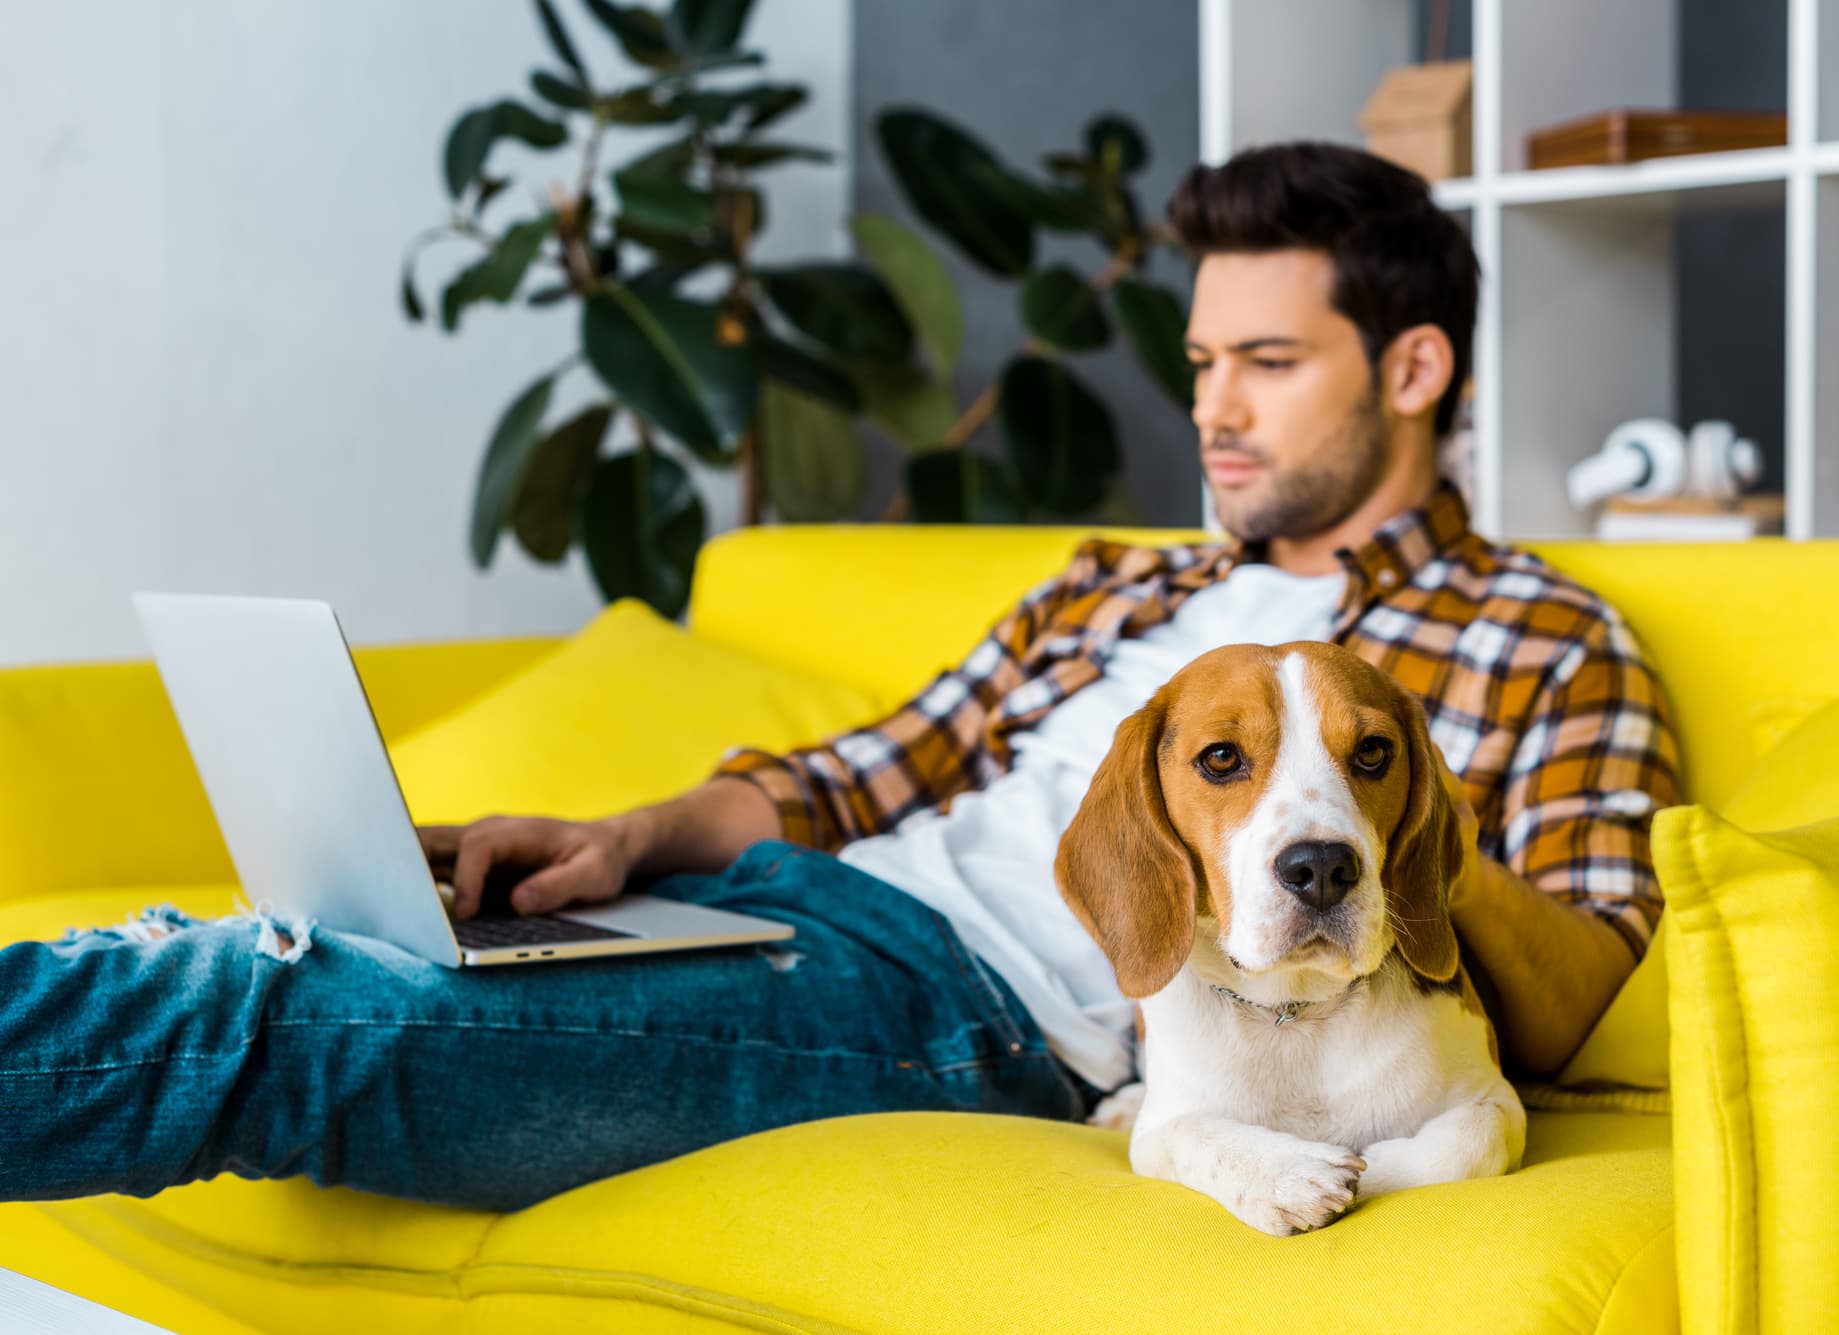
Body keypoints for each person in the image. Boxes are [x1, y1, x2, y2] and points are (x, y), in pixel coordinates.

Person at [0, 142, 1681, 1212]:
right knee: (310, 937)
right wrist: (634, 845)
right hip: (803, 908)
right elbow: (869, 764)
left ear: (1412, 367)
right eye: (1199, 365)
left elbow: (1590, 973)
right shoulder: (1124, 582)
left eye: (1266, 363)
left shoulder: (1537, 636)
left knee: (279, 1008)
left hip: (967, 1018)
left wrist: (1372, 827)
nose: (1214, 410)